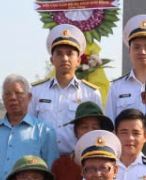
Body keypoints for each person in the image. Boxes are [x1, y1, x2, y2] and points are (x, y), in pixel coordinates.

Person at [0, 74, 59, 180]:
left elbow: (51, 171)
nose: (12, 98)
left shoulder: (44, 131)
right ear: (3, 99)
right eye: (8, 94)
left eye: (18, 93)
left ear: (29, 97)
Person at [31, 25, 103, 156]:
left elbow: (96, 131)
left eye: (70, 54)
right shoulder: (36, 91)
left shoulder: (91, 93)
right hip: (43, 160)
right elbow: (29, 130)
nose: (64, 58)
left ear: (78, 60)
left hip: (77, 160)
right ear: (52, 60)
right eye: (59, 53)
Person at [47, 102, 113, 180]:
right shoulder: (60, 165)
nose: (89, 132)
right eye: (84, 127)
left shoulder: (111, 166)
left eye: (94, 127)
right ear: (75, 131)